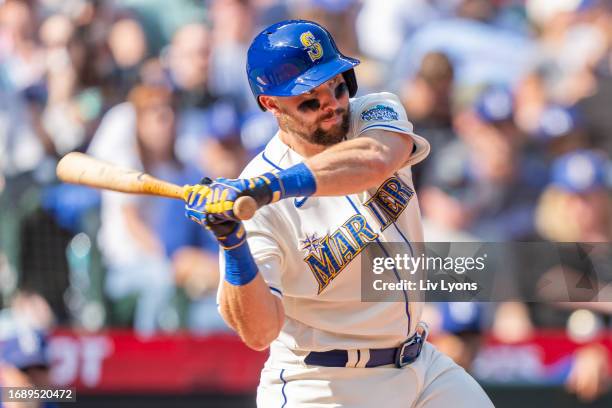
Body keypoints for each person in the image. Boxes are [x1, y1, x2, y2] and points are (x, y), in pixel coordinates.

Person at [183, 20, 493, 407]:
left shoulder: (375, 112)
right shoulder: (257, 205)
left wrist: (271, 187)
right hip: (324, 385)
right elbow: (259, 332)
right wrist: (232, 242)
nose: (330, 104)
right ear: (271, 104)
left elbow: (374, 160)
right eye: (309, 99)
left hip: (420, 364)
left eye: (337, 85)